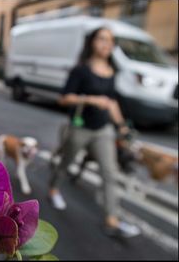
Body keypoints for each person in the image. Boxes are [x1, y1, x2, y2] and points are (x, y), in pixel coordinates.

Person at [47, 27, 141, 238]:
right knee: (66, 163)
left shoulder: (111, 72)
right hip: (80, 128)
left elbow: (112, 102)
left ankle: (111, 219)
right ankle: (53, 188)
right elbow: (63, 98)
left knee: (110, 173)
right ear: (92, 42)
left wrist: (122, 127)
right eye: (102, 39)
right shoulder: (81, 70)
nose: (106, 44)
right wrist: (89, 99)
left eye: (110, 41)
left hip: (103, 130)